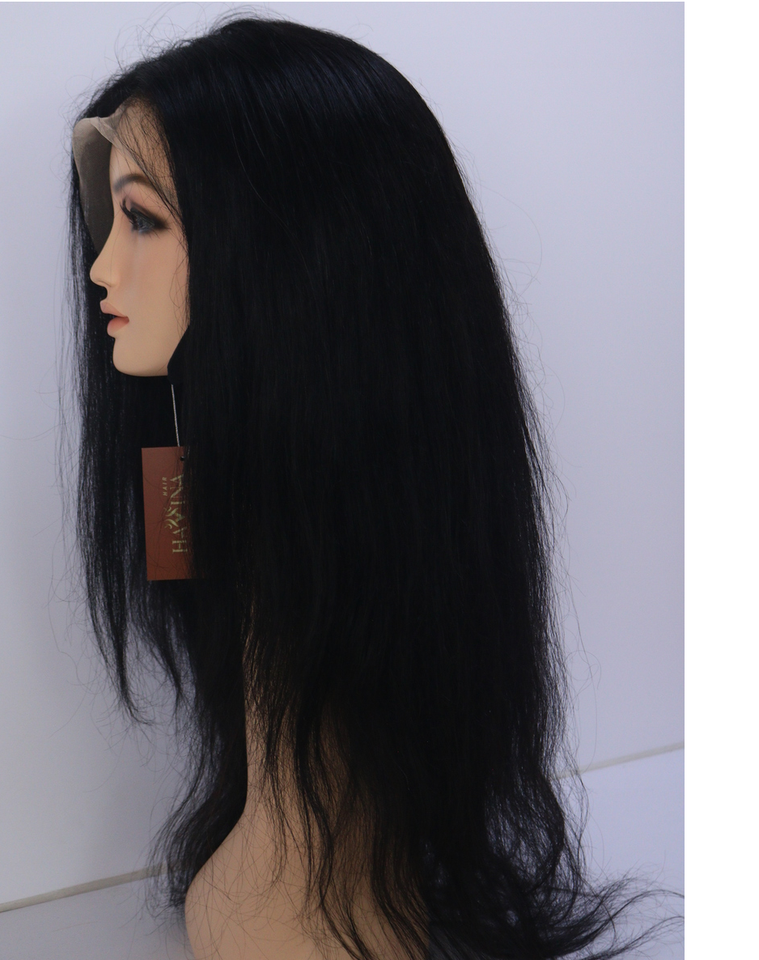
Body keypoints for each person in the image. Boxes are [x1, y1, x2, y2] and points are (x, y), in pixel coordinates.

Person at [67, 16, 669, 960]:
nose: (102, 266)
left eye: (143, 219)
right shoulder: (223, 475)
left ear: (293, 256)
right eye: (113, 219)